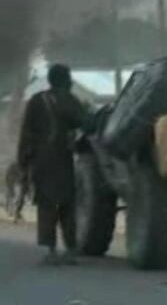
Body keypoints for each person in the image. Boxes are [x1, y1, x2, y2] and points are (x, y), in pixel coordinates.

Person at [17, 64, 92, 265]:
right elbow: (85, 123)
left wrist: (23, 163)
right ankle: (70, 250)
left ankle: (50, 250)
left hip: (40, 161)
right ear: (65, 80)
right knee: (67, 204)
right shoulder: (68, 99)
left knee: (46, 205)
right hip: (62, 159)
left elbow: (26, 133)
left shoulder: (36, 100)